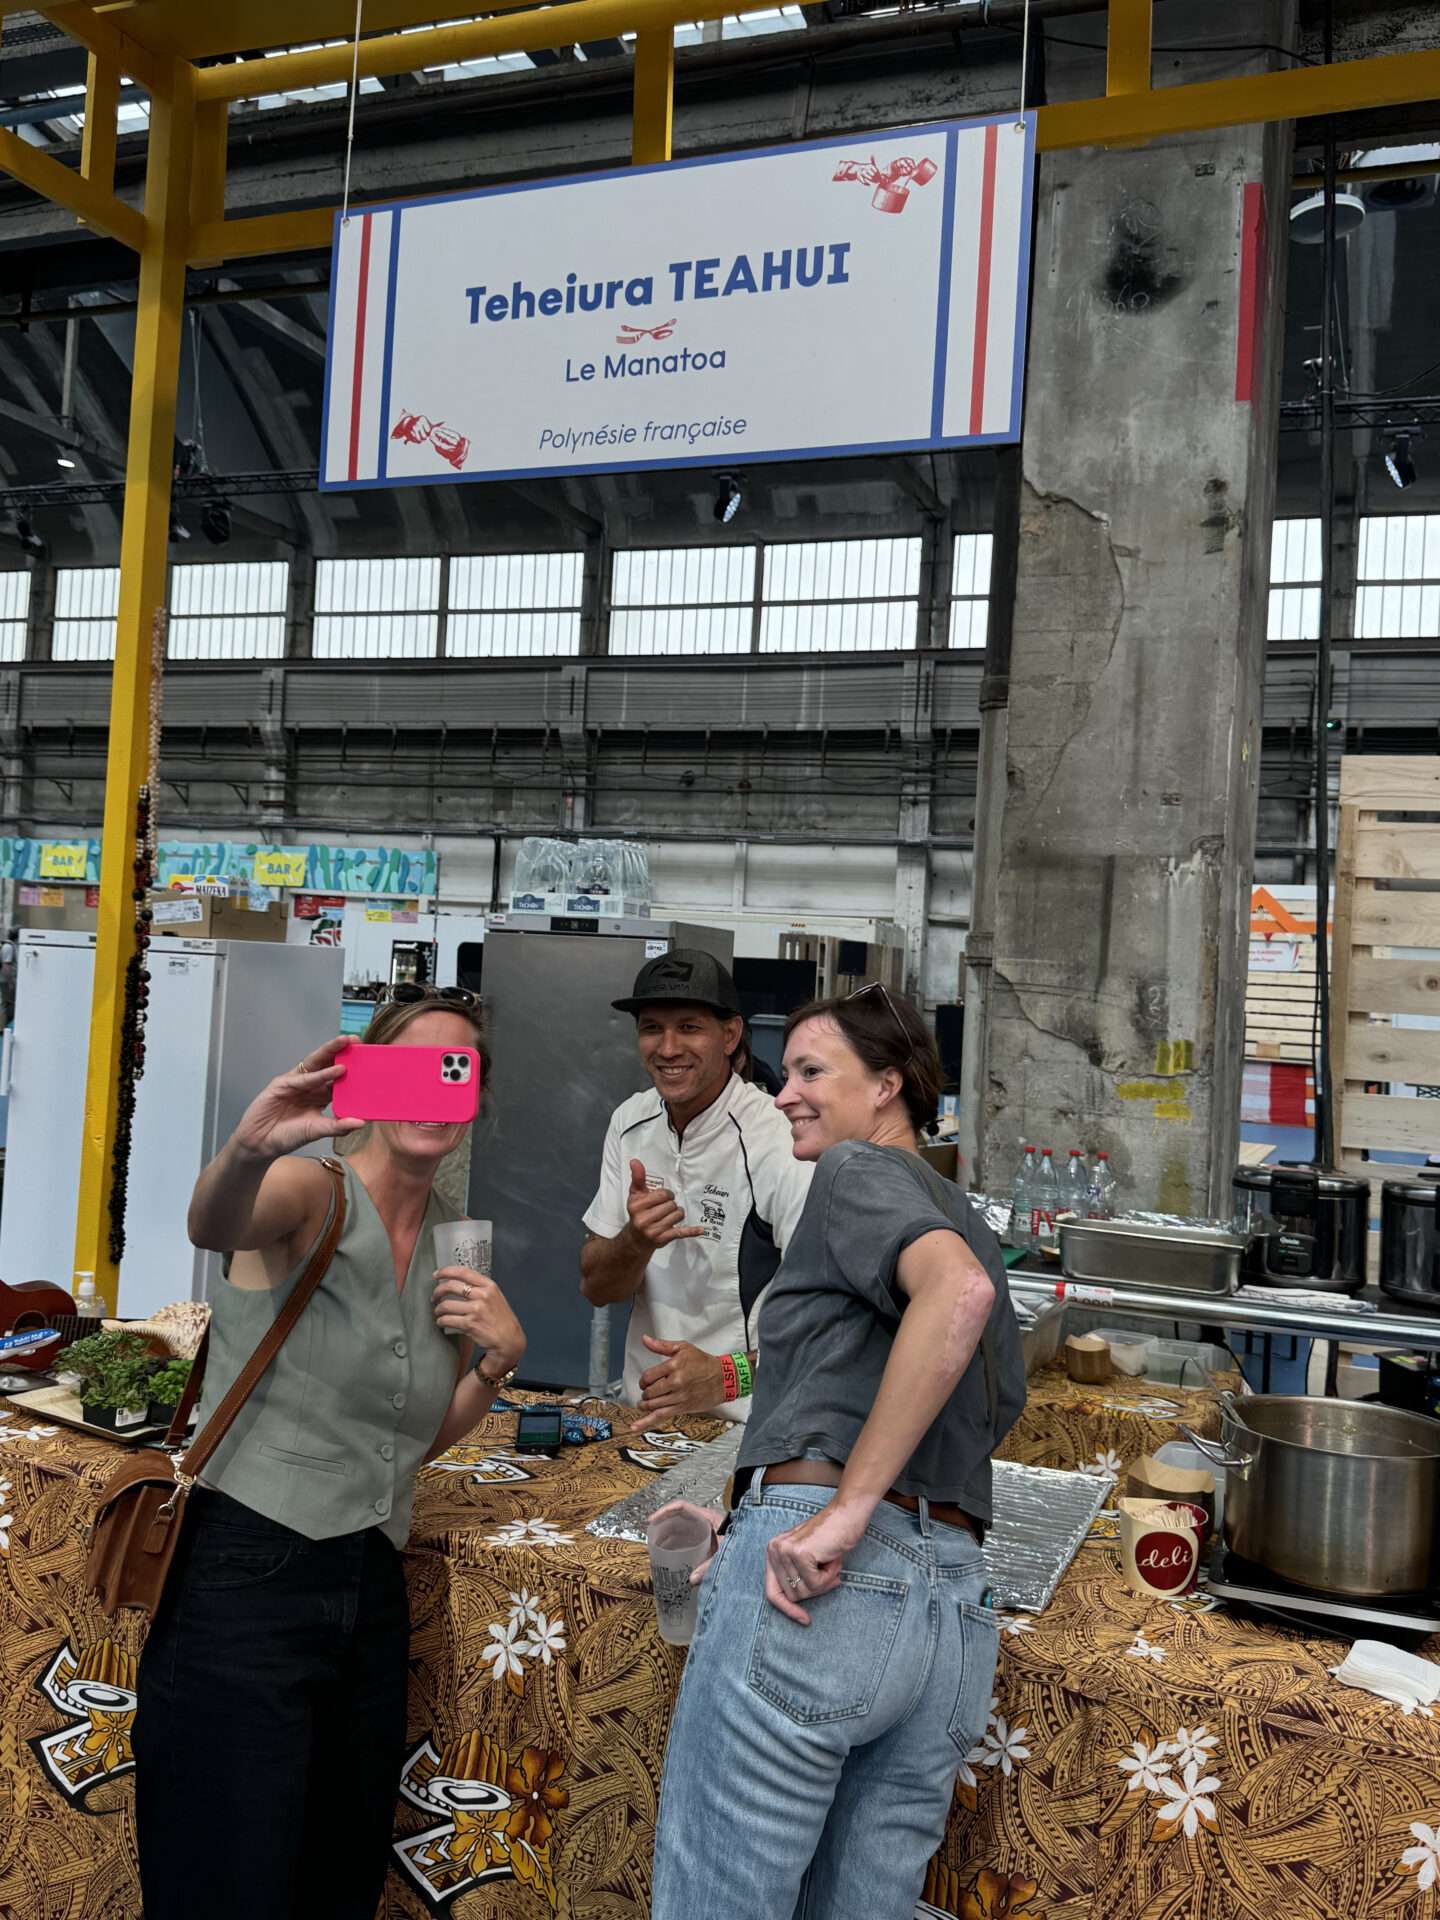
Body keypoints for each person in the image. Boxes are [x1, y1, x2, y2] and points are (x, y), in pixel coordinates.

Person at [132, 986, 526, 1920]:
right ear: (366, 1080)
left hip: (369, 1590)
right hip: (246, 1572)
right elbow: (213, 1225)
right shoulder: (313, 1190)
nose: (433, 1091)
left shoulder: (447, 1245)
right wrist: (249, 1146)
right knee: (226, 1880)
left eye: (455, 1072)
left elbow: (404, 1441)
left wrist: (497, 1366)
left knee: (334, 1879)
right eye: (411, 1068)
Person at [648, 983, 1027, 1920]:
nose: (784, 1094)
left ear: (887, 1086)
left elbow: (958, 1300)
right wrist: (753, 1510)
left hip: (835, 1591)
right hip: (952, 1615)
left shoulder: (857, 1174)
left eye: (814, 1072)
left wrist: (837, 1505)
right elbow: (979, 1400)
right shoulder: (963, 1213)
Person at [580, 949, 812, 1426]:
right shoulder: (630, 1123)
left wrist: (725, 1378)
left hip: (748, 1422)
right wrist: (635, 1241)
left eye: (689, 1027)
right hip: (644, 1417)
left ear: (730, 1035)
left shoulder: (779, 1139)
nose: (667, 1048)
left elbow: (827, 1328)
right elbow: (597, 1287)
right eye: (651, 1028)